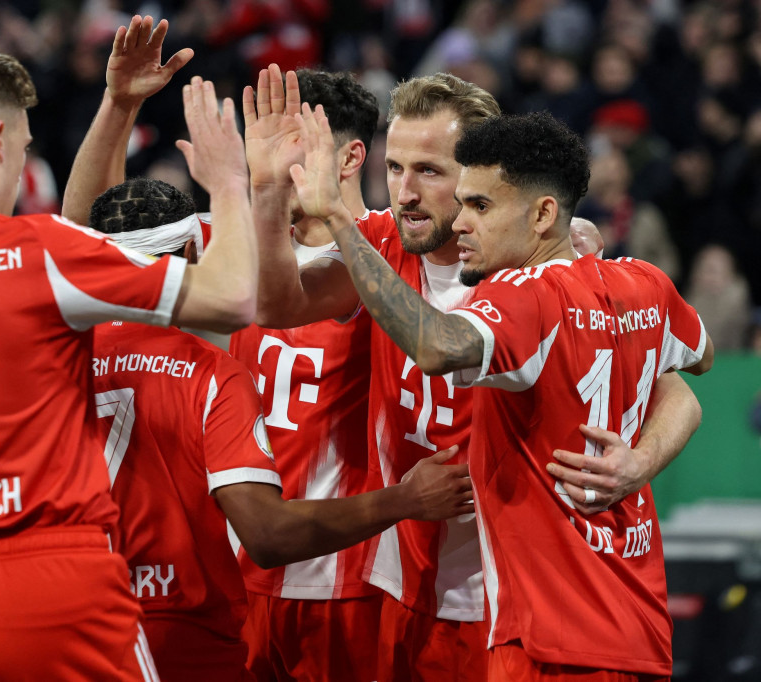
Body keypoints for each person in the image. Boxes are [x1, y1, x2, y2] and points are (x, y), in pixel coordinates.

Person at [248, 67, 705, 680]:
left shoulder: (539, 279)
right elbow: (278, 306)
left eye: (430, 172)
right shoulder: (378, 244)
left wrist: (641, 461)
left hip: (513, 602)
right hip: (407, 587)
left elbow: (676, 392)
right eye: (395, 168)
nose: (405, 193)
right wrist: (268, 192)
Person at [0, 25, 257, 679]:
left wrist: (117, 103)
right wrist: (228, 183)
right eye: (26, 146)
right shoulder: (35, 251)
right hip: (55, 575)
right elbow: (231, 298)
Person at [87, 176, 473, 681]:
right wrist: (406, 500)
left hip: (77, 614)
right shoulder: (211, 373)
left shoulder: (49, 358)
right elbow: (267, 533)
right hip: (188, 625)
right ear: (194, 252)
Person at [229, 67, 383, 682]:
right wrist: (118, 103)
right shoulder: (243, 244)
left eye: (292, 142)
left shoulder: (385, 253)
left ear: (349, 158)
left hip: (340, 577)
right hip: (240, 567)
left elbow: (278, 303)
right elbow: (90, 230)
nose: (271, 157)